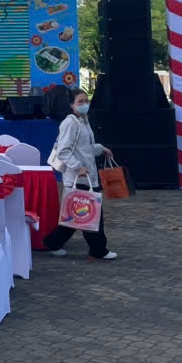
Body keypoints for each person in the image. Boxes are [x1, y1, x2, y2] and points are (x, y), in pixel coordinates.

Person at [43, 88, 118, 260]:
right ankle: (98, 250)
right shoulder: (70, 123)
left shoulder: (83, 120)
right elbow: (63, 151)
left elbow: (85, 147)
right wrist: (78, 167)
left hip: (87, 175)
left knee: (75, 215)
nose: (84, 104)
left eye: (86, 100)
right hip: (79, 177)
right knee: (93, 214)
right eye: (80, 102)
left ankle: (53, 242)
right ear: (72, 105)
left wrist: (101, 149)